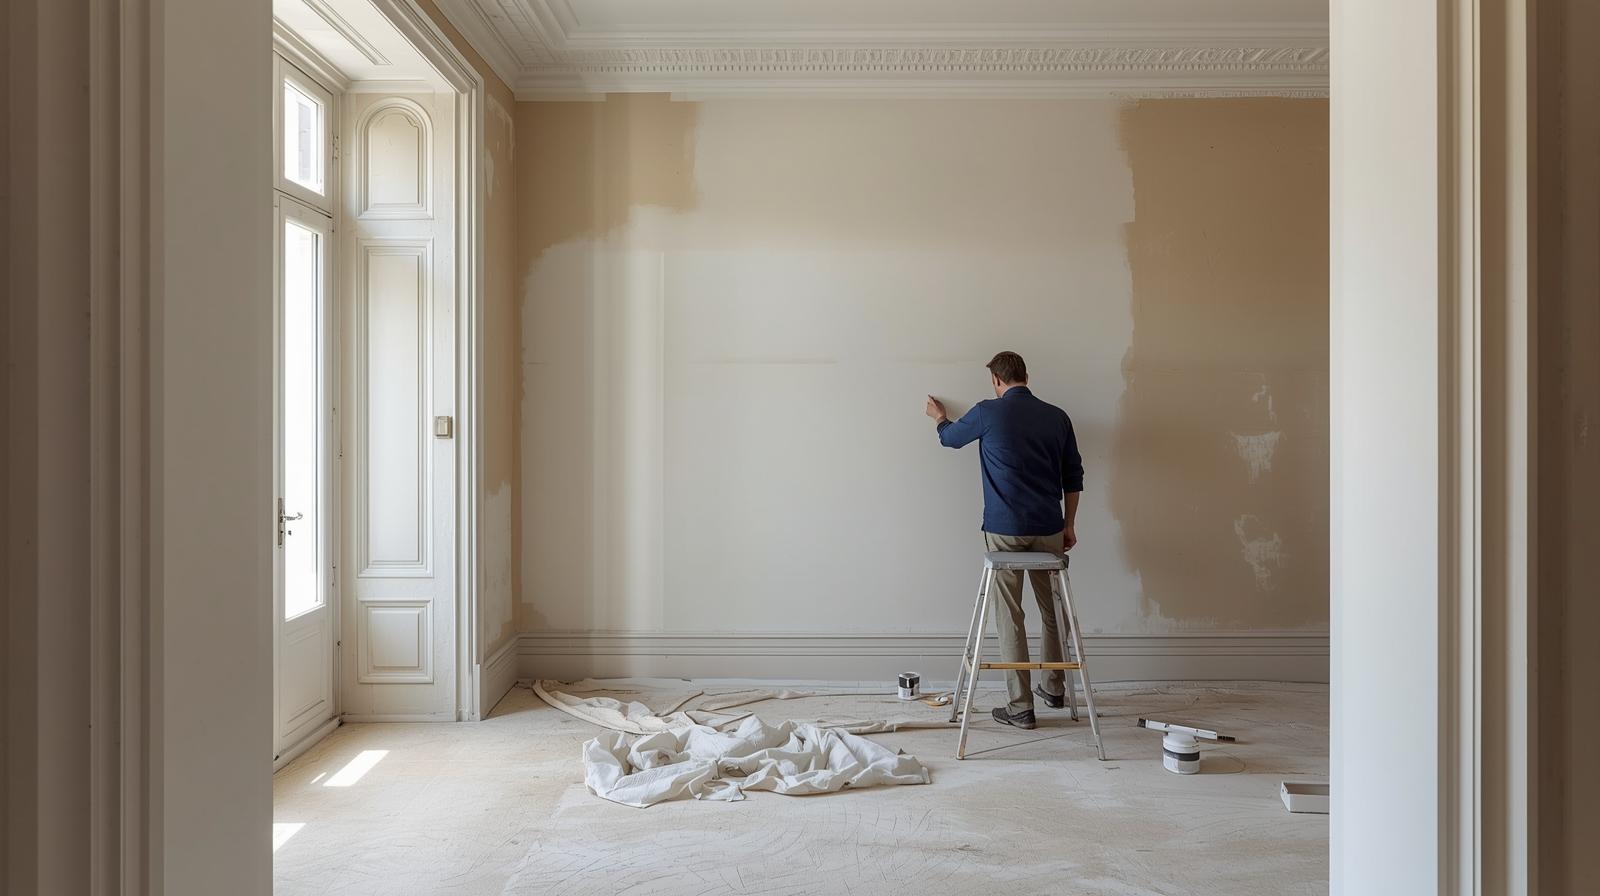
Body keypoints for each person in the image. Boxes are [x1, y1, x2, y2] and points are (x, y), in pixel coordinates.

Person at [925, 350, 1084, 730]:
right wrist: (1069, 525)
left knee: (1010, 614)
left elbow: (949, 440)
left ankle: (1021, 707)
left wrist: (939, 417)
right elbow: (1073, 477)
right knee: (1051, 609)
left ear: (997, 380)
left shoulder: (988, 412)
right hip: (1049, 528)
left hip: (1005, 529)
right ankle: (1055, 687)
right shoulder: (1057, 416)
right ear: (1025, 376)